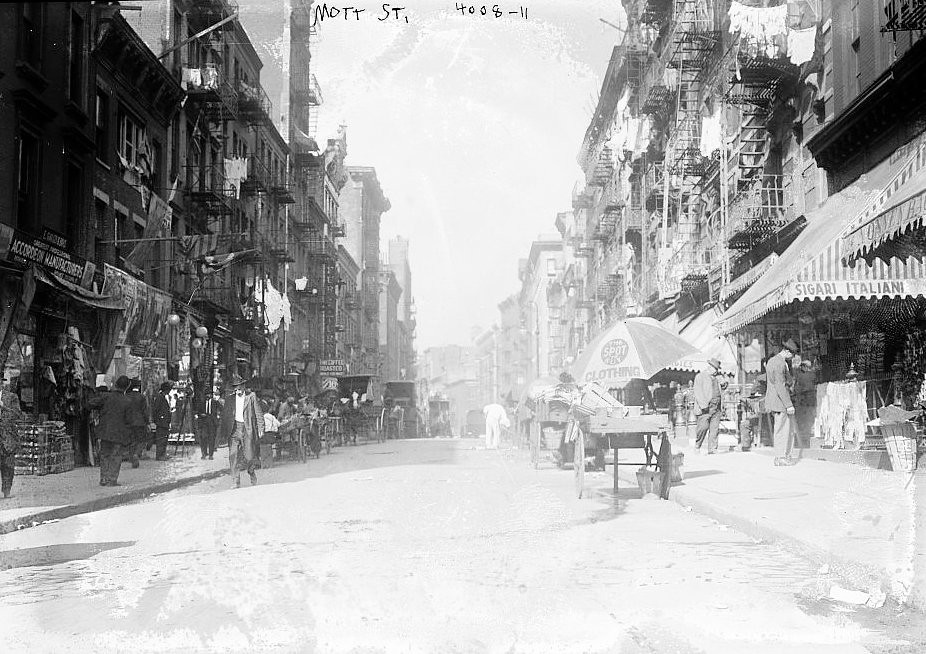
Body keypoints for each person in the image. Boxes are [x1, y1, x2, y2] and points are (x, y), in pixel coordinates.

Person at [219, 374, 264, 487]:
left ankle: (251, 472)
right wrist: (223, 433)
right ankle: (235, 481)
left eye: (239, 387)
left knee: (249, 456)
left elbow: (258, 412)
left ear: (243, 386)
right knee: (233, 455)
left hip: (247, 429)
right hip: (234, 430)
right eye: (235, 387)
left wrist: (261, 428)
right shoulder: (229, 399)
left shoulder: (251, 396)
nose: (237, 390)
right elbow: (225, 416)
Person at [93, 376, 134, 486]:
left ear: (115, 384)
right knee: (116, 456)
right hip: (119, 434)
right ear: (127, 387)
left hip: (105, 431)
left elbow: (91, 404)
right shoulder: (128, 401)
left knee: (105, 455)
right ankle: (111, 480)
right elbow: (129, 420)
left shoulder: (106, 397)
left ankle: (104, 478)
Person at [766, 338, 798, 466]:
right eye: (792, 354)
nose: (792, 357)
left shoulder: (773, 361)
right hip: (780, 402)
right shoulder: (779, 364)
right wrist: (788, 404)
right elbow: (780, 385)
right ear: (786, 351)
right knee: (783, 430)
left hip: (775, 401)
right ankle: (781, 457)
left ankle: (781, 456)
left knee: (781, 429)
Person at [693, 358, 725, 454]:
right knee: (703, 427)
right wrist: (704, 406)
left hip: (717, 406)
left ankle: (712, 448)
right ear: (709, 367)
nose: (716, 371)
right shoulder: (700, 377)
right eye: (715, 368)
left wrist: (723, 383)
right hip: (706, 407)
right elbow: (698, 392)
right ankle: (697, 445)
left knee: (714, 429)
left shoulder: (717, 377)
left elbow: (723, 388)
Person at [1, 381, 25, 499]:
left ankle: (6, 491)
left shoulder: (11, 397)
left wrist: (3, 407)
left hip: (8, 438)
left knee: (8, 466)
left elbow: (17, 415)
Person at [792, 358, 816, 449]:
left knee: (801, 423)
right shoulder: (813, 375)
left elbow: (795, 389)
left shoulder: (800, 376)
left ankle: (800, 443)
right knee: (808, 423)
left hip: (801, 402)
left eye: (802, 366)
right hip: (811, 402)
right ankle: (806, 442)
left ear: (805, 367)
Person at [125, 378, 149, 469]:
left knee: (132, 441)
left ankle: (132, 457)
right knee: (141, 441)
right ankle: (136, 454)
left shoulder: (126, 396)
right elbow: (145, 411)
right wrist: (147, 423)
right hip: (140, 422)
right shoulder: (141, 397)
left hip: (128, 422)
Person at [197, 389, 222, 460]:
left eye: (209, 394)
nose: (207, 396)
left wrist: (218, 416)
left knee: (211, 438)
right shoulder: (202, 403)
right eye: (206, 395)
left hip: (212, 422)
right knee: (204, 438)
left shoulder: (215, 402)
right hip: (204, 422)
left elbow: (221, 409)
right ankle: (204, 454)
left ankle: (211, 455)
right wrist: (201, 414)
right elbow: (198, 412)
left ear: (211, 395)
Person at [152, 382, 173, 461]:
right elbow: (155, 409)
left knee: (164, 438)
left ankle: (162, 454)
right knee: (161, 439)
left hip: (164, 422)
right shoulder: (160, 397)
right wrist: (158, 420)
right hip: (161, 422)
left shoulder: (162, 397)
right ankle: (160, 455)